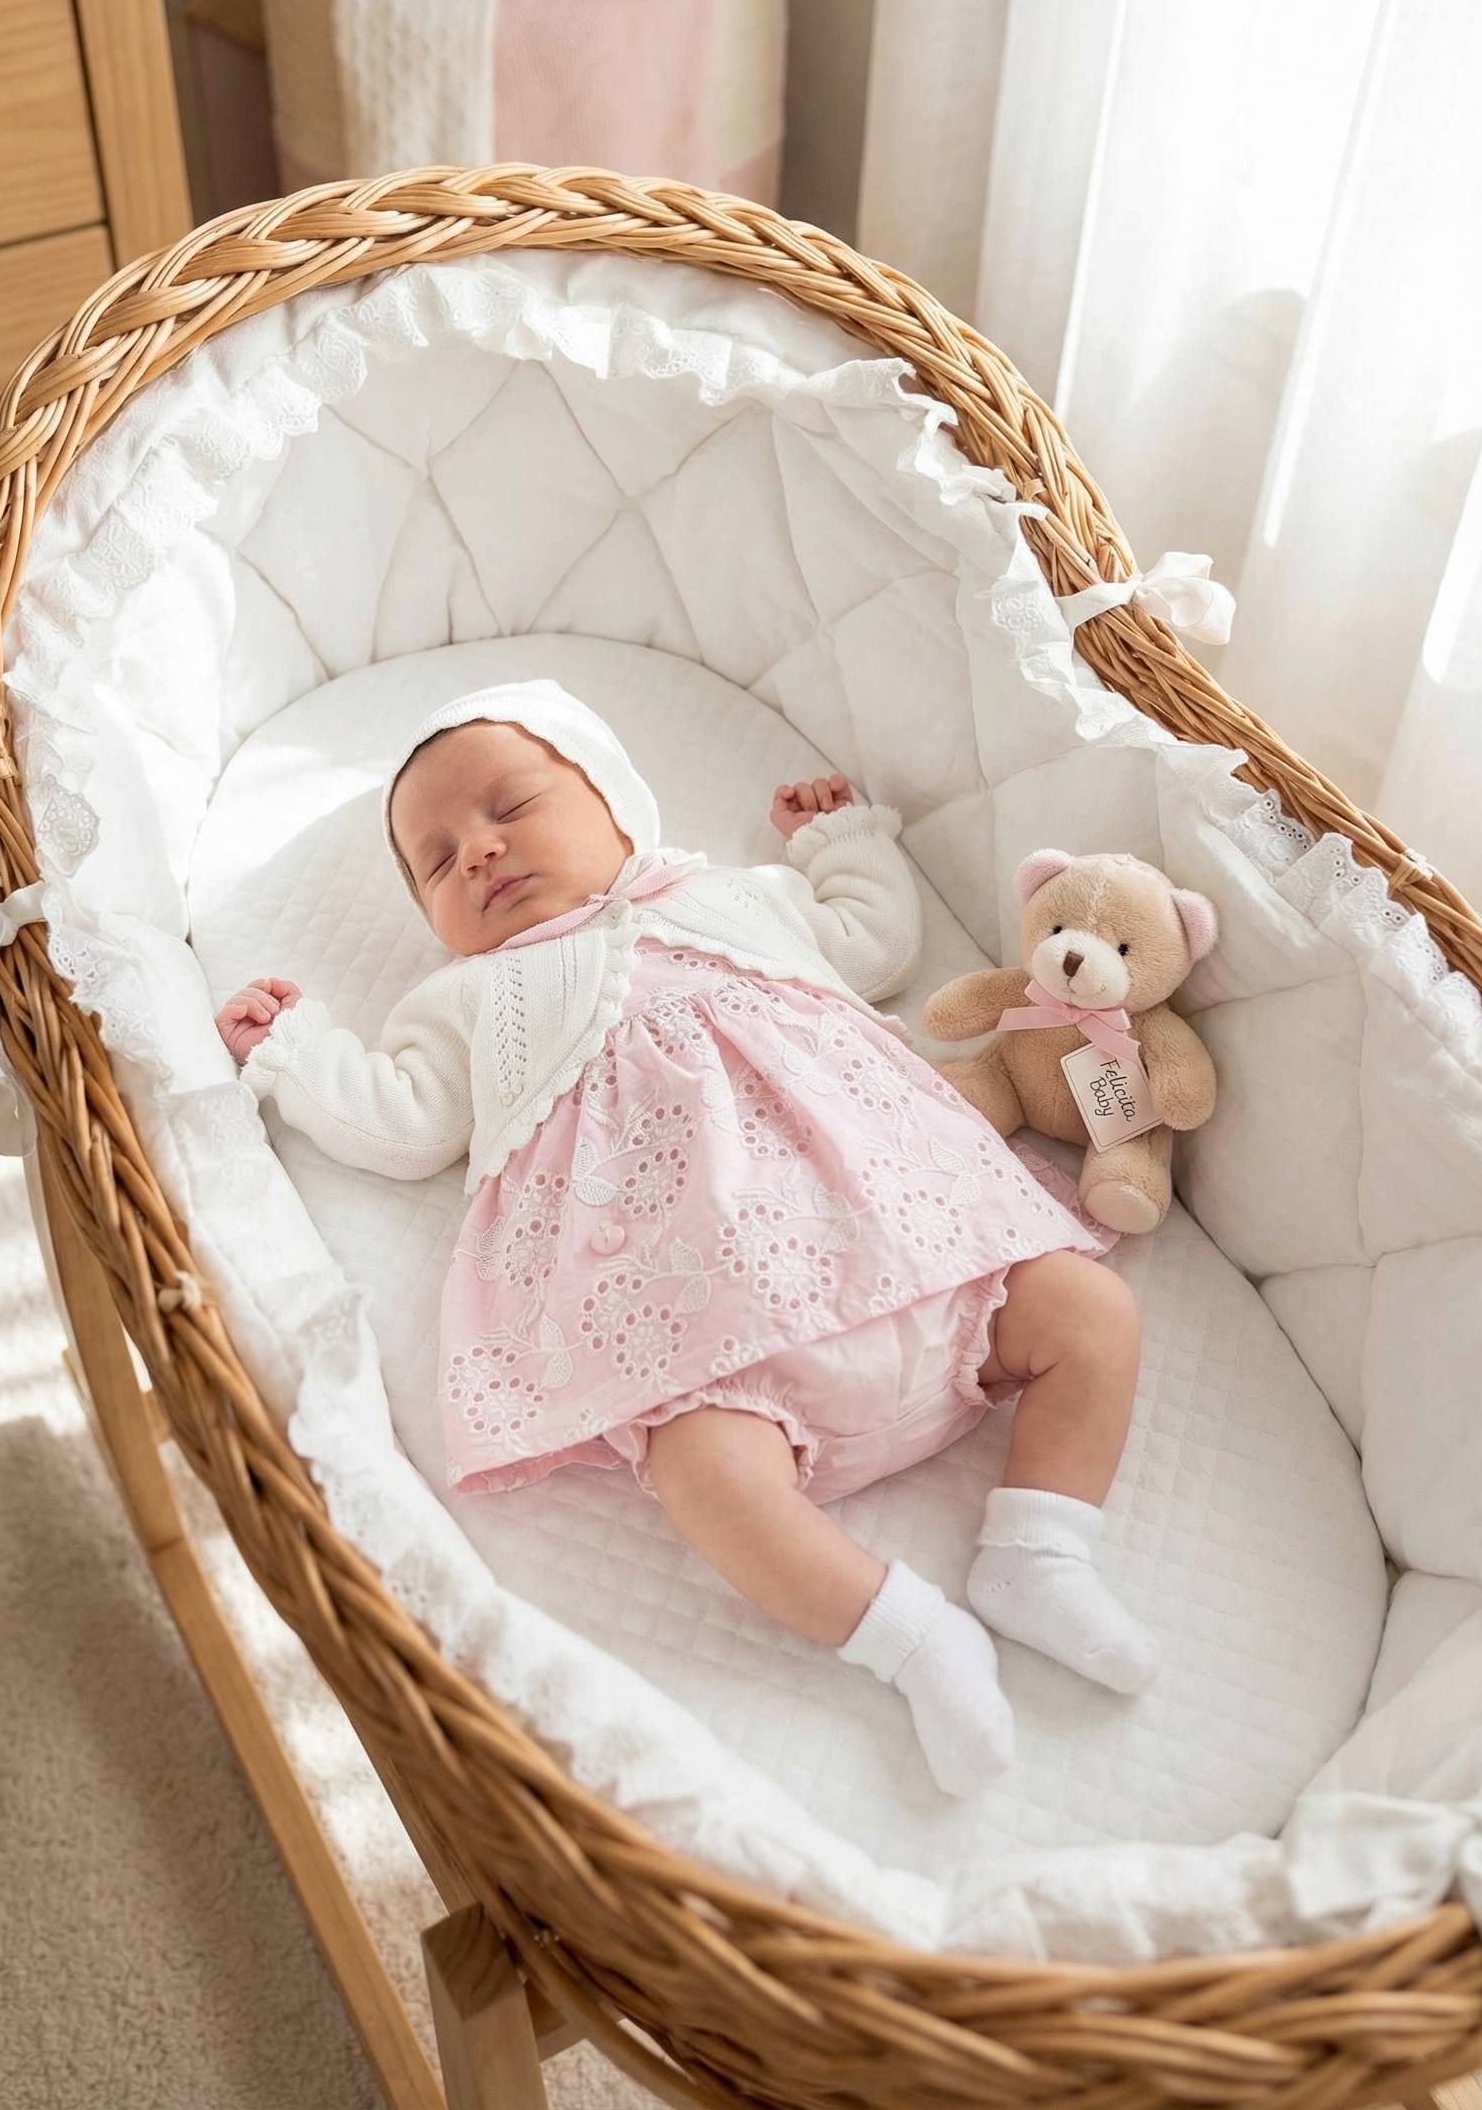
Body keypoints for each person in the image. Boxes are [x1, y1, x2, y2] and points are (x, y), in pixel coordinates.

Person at [217, 679, 1152, 1795]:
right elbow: (407, 1121)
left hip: (922, 1255)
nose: (478, 852)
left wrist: (842, 846)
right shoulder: (471, 997)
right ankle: (910, 1639)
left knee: (1088, 1309)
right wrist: (299, 1051)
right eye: (435, 860)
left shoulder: (734, 896)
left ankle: (1039, 1549)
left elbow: (872, 943)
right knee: (703, 1477)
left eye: (510, 806)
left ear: (617, 803)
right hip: (713, 1336)